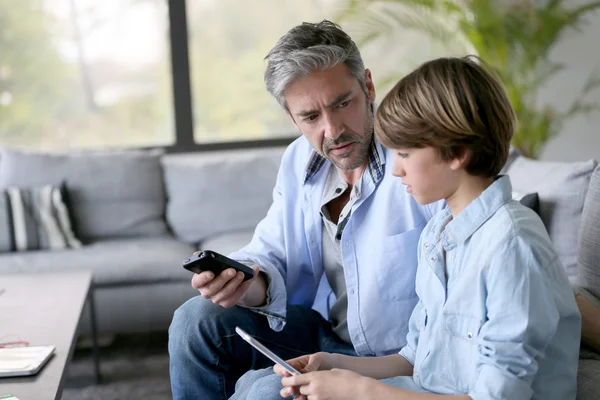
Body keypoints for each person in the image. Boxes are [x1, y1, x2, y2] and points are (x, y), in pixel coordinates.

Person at [237, 56, 582, 400]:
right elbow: (414, 359)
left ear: (456, 153)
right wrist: (332, 364)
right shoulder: (438, 235)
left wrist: (358, 391)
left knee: (266, 394)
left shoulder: (513, 245)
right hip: (420, 388)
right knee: (256, 383)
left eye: (403, 152)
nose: (395, 170)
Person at [168, 20, 444, 400]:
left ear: (367, 85)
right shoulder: (300, 160)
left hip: (394, 356)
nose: (332, 131)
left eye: (342, 103)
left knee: (266, 392)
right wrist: (243, 280)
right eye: (311, 117)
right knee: (193, 321)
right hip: (325, 333)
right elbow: (273, 249)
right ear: (292, 117)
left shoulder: (416, 158)